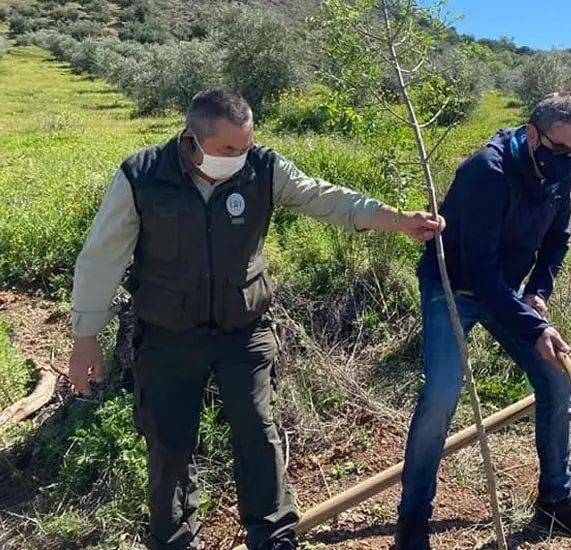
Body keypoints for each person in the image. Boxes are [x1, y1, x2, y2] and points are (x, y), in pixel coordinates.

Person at [66, 88, 444, 550]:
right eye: (229, 150)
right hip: (167, 336)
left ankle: (273, 535)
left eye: (245, 147)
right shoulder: (142, 176)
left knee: (257, 432)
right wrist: (85, 336)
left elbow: (325, 199)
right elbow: (101, 258)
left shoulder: (263, 168)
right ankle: (173, 539)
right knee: (168, 444)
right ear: (193, 138)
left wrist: (398, 219)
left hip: (243, 330)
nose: (240, 158)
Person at [394, 95, 571, 549]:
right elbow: (477, 269)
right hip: (453, 286)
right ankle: (412, 520)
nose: (570, 162)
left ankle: (556, 500)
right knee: (440, 396)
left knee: (555, 381)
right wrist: (532, 327)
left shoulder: (557, 172)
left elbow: (558, 238)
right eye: (562, 151)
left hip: (505, 290)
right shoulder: (486, 174)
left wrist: (538, 294)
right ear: (533, 135)